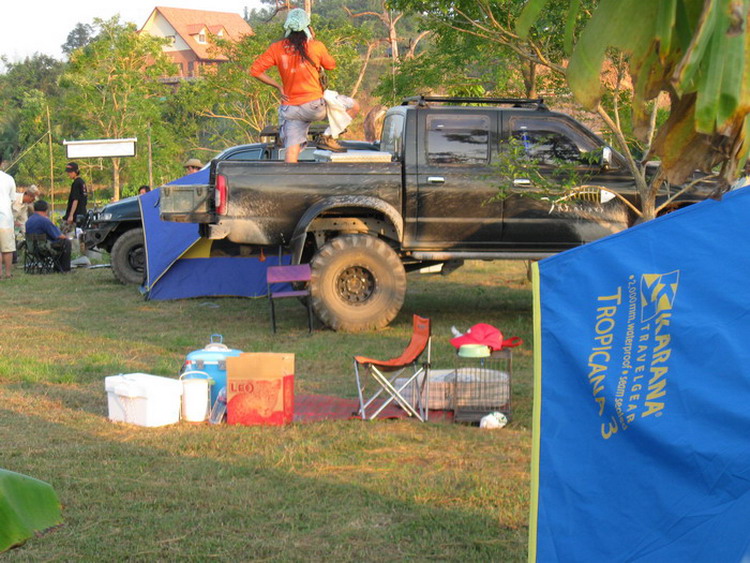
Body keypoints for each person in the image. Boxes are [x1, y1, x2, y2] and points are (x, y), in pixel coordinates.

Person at [250, 8, 358, 162]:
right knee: (354, 106)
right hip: (314, 107)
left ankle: (290, 176)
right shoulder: (315, 46)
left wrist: (279, 87)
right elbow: (331, 65)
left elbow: (255, 70)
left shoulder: (277, 48)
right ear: (308, 28)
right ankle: (328, 137)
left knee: (291, 154)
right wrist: (313, 40)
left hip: (291, 109)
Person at [25, 200, 72, 273]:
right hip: (43, 248)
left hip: (31, 248)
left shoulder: (29, 220)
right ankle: (64, 269)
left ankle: (58, 267)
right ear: (46, 210)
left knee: (57, 243)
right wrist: (67, 237)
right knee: (66, 242)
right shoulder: (44, 221)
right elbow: (59, 235)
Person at [0, 155, 17, 279]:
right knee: (7, 248)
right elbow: (12, 199)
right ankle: (7, 273)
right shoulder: (9, 179)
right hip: (6, 218)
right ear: (1, 163)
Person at [64, 162, 88, 230]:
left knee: (68, 232)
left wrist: (71, 215)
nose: (69, 174)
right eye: (68, 172)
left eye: (70, 172)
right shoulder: (82, 182)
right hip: (82, 213)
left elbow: (75, 200)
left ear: (76, 172)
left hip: (76, 215)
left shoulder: (76, 183)